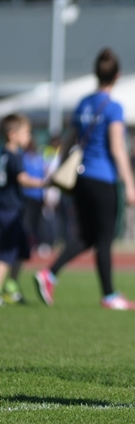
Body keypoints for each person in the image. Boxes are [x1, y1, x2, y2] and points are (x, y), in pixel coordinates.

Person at [34, 48, 135, 310]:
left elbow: (70, 140)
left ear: (96, 74)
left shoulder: (83, 103)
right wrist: (129, 184)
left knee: (88, 236)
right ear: (118, 76)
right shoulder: (113, 108)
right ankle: (109, 295)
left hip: (80, 178)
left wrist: (57, 170)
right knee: (104, 238)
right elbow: (117, 148)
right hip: (102, 178)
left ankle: (50, 273)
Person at [0, 114, 46, 306]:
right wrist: (45, 183)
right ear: (12, 134)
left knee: (20, 250)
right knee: (5, 254)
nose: (29, 136)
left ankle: (11, 288)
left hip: (9, 209)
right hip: (9, 210)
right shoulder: (14, 155)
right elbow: (23, 179)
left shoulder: (3, 154)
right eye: (26, 132)